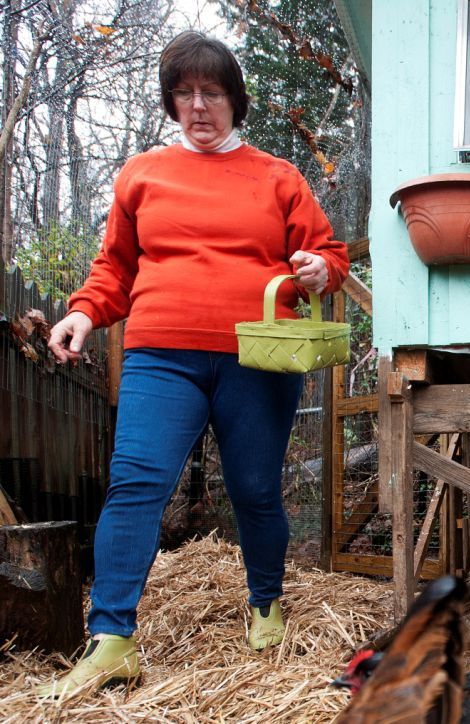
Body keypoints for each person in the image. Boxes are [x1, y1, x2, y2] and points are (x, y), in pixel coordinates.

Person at [39, 31, 349, 698]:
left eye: (211, 92)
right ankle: (112, 639)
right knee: (135, 485)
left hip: (259, 358)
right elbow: (115, 270)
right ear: (171, 102)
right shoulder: (143, 173)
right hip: (160, 356)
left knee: (256, 491)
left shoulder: (278, 177)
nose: (198, 106)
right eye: (184, 93)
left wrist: (321, 270)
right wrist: (84, 315)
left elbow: (328, 256)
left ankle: (265, 601)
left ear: (235, 99)